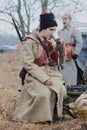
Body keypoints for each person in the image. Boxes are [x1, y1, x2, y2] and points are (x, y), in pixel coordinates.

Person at [13, 12, 66, 123]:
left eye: (54, 30)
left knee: (60, 89)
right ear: (44, 28)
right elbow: (28, 64)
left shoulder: (51, 41)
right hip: (35, 75)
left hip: (51, 72)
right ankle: (36, 119)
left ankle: (54, 116)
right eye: (51, 30)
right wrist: (44, 79)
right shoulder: (29, 42)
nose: (53, 33)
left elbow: (60, 61)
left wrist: (61, 45)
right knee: (43, 94)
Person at [58, 13, 83, 87]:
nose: (64, 21)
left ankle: (71, 90)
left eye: (65, 19)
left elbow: (80, 42)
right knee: (62, 75)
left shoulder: (75, 30)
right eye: (63, 19)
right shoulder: (60, 32)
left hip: (71, 57)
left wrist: (76, 53)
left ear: (70, 20)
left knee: (71, 75)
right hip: (62, 57)